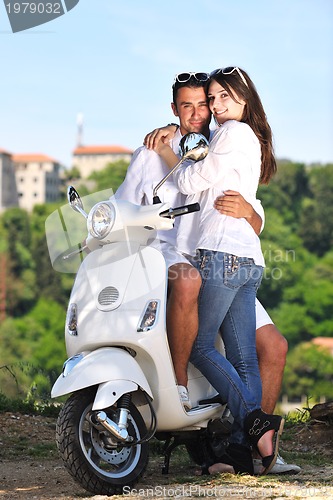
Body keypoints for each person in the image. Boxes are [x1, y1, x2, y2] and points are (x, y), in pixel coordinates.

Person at [116, 72, 298, 474]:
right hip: (175, 257)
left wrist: (252, 212)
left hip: (222, 255)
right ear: (174, 110)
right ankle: (184, 396)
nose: (203, 111)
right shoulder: (152, 152)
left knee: (273, 347)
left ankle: (249, 445)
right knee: (193, 291)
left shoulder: (220, 141)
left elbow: (247, 200)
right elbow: (122, 207)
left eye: (209, 102)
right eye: (191, 105)